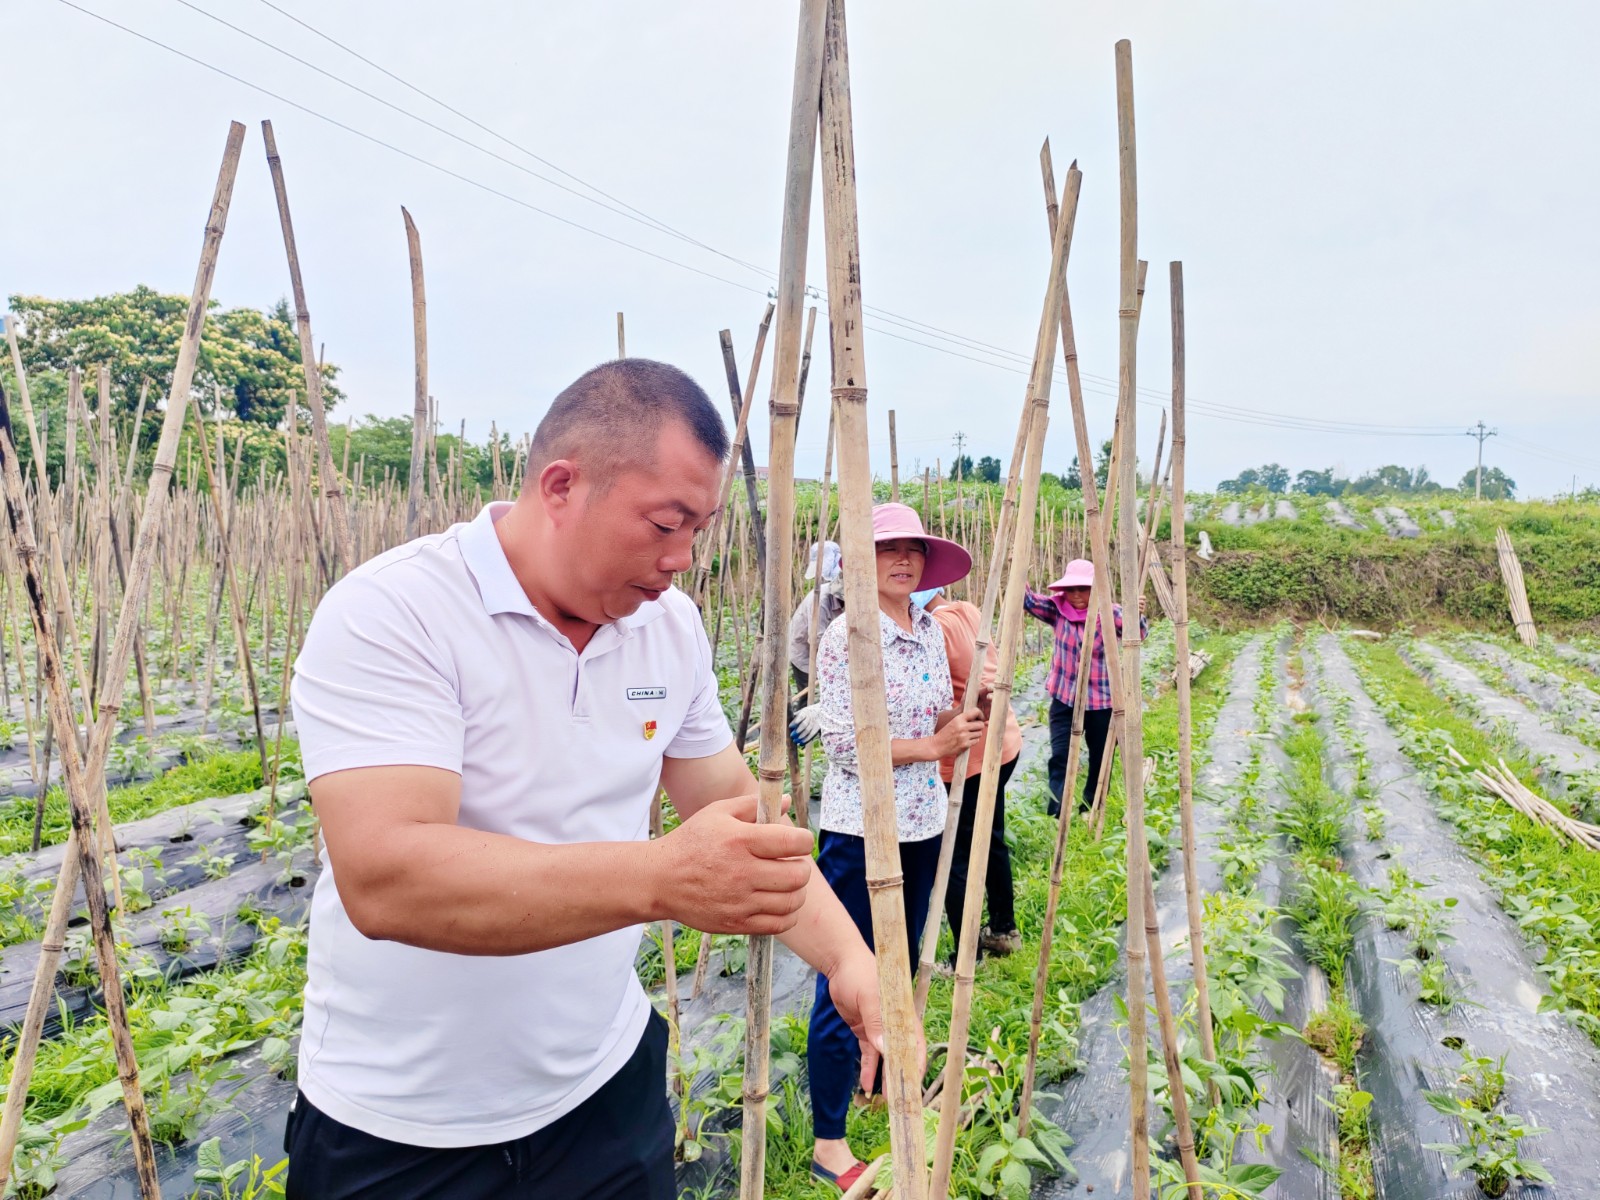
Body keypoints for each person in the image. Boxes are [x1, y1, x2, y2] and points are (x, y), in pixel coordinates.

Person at [285, 360, 890, 1200]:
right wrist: (664, 876)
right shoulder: (398, 611)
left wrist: (848, 961)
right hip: (401, 1127)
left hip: (606, 1095)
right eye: (664, 523)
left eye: (698, 530)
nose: (682, 559)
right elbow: (390, 878)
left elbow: (737, 820)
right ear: (562, 485)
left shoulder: (668, 630)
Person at [809, 503, 983, 1191]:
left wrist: (969, 716)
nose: (904, 560)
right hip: (861, 830)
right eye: (888, 550)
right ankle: (828, 1143)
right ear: (861, 560)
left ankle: (872, 1078)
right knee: (845, 981)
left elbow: (939, 711)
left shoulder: (928, 629)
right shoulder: (845, 638)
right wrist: (931, 748)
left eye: (913, 551)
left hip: (921, 823)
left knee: (899, 968)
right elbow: (846, 748)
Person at [918, 587, 1024, 959]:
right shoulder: (967, 609)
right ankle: (1003, 929)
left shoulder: (933, 628)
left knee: (956, 852)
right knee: (990, 836)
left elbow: (921, 699)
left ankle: (967, 953)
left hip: (969, 752)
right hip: (1002, 740)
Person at [1023, 558, 1147, 818]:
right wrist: (1019, 569)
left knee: (1100, 758)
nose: (1077, 595)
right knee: (1060, 755)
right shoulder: (1057, 609)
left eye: (1084, 588)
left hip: (1101, 702)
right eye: (1072, 589)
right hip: (1064, 699)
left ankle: (1090, 807)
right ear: (1063, 591)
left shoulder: (1110, 614)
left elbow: (1139, 633)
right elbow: (1028, 600)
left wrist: (1137, 613)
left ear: (1097, 589)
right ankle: (1056, 811)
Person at [789, 539, 843, 701]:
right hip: (804, 655)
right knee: (808, 700)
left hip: (830, 655)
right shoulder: (820, 601)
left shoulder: (846, 597)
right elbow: (818, 640)